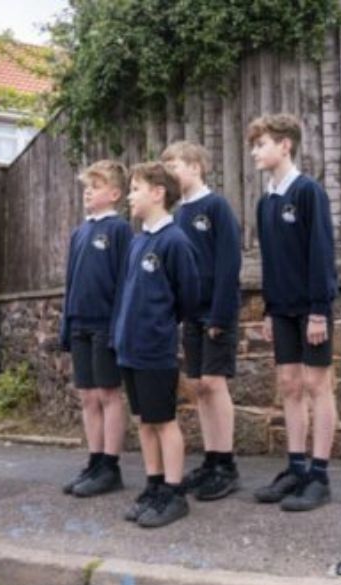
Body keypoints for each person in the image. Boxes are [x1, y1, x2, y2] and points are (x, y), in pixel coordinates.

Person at [248, 113, 338, 512]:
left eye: (261, 144)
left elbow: (321, 251)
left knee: (318, 384)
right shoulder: (265, 201)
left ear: (285, 145)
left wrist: (320, 311)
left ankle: (319, 475)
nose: (255, 152)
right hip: (281, 308)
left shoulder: (308, 192)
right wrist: (269, 309)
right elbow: (270, 260)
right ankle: (296, 468)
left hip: (311, 309)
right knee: (288, 383)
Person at [111, 162, 199, 528]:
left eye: (135, 188)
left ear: (158, 193)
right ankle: (154, 484)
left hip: (156, 349)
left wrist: (160, 326)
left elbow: (189, 297)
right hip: (129, 348)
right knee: (143, 421)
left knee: (164, 422)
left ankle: (174, 493)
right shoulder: (137, 241)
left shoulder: (174, 241)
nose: (130, 195)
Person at [162, 141, 242, 501]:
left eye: (175, 166)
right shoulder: (177, 214)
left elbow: (228, 263)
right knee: (198, 387)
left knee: (214, 382)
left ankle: (227, 464)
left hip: (215, 312)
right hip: (190, 315)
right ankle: (211, 461)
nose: (170, 174)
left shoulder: (216, 206)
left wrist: (220, 314)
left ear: (195, 166)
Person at [59, 160, 132, 498]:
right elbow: (71, 282)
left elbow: (125, 283)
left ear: (115, 194)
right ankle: (94, 459)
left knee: (108, 394)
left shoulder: (119, 230)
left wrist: (119, 328)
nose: (88, 191)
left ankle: (111, 466)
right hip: (79, 323)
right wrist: (66, 326)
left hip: (106, 325)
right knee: (88, 396)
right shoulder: (80, 232)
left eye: (97, 186)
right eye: (87, 185)